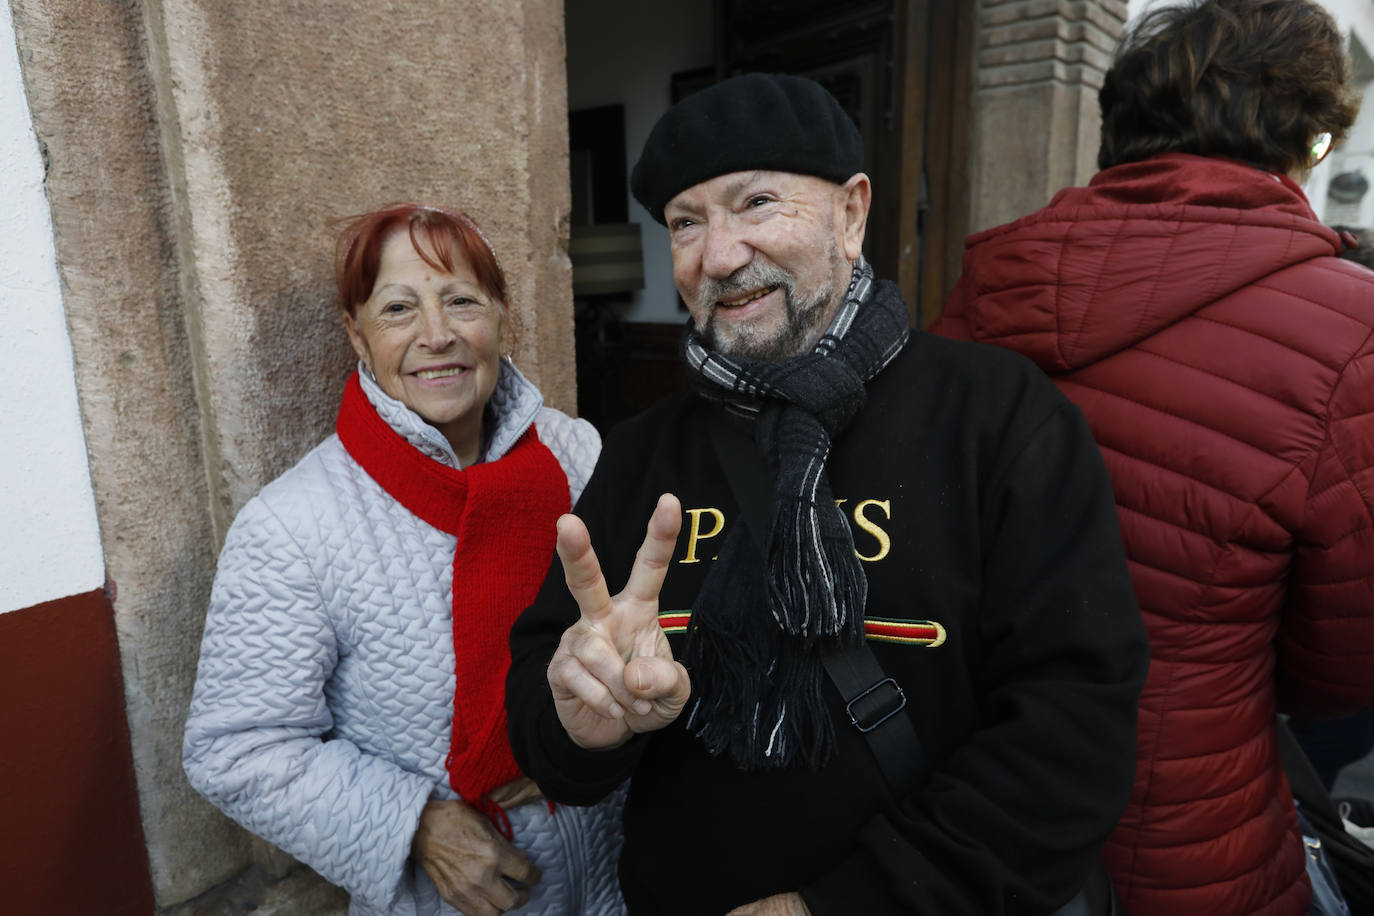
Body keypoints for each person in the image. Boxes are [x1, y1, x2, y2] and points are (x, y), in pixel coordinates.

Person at [506, 73, 1149, 915]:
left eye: (757, 202)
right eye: (685, 223)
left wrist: (836, 907)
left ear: (851, 214)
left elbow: (1073, 729)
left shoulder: (999, 417)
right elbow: (548, 695)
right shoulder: (642, 451)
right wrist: (581, 728)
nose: (720, 255)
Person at [931, 2, 1374, 913]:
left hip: (968, 793)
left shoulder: (992, 276)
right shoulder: (1350, 329)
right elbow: (1343, 661)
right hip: (1183, 824)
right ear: (1297, 138)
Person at [183, 203, 624, 916]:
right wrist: (414, 824)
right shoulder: (294, 525)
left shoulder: (577, 455)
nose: (437, 334)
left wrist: (585, 747)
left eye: (461, 300)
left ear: (500, 315)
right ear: (356, 334)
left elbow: (647, 625)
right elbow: (236, 750)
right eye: (398, 308)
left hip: (620, 868)